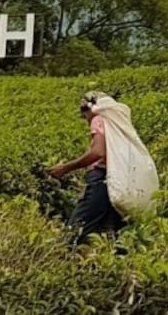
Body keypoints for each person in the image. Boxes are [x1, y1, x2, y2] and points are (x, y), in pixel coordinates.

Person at [47, 91, 126, 246]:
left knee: (76, 229)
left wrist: (66, 167)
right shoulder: (118, 122)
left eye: (84, 115)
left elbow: (98, 152)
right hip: (122, 178)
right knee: (118, 233)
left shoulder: (98, 118)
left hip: (102, 178)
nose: (85, 120)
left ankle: (63, 259)